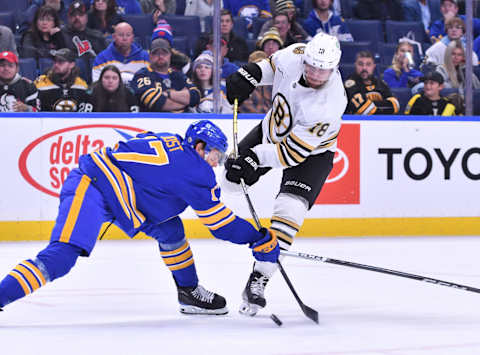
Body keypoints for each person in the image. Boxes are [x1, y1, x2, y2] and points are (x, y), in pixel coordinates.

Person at [0, 120, 279, 314]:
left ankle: (188, 292)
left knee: (170, 230)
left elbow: (140, 157)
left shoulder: (170, 141)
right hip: (92, 186)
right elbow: (220, 225)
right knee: (61, 257)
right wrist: (257, 238)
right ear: (199, 146)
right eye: (215, 154)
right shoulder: (196, 170)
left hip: (122, 192)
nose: (216, 162)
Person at [224, 33, 346, 316]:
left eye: (323, 69)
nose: (315, 73)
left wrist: (254, 159)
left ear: (334, 68)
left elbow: (292, 154)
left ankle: (259, 278)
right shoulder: (296, 54)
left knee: (288, 211)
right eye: (311, 66)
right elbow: (272, 66)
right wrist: (250, 74)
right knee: (230, 181)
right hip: (270, 131)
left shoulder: (329, 103)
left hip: (311, 156)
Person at [131, 31, 201, 112]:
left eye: (164, 53)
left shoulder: (178, 75)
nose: (160, 56)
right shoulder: (142, 75)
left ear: (170, 55)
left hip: (183, 122)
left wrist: (168, 94)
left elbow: (195, 96)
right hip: (155, 122)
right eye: (156, 53)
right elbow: (155, 103)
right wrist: (184, 101)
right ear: (150, 56)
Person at [344, 50, 400, 115]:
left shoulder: (380, 84)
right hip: (357, 123)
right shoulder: (350, 85)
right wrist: (384, 106)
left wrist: (372, 105)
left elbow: (395, 105)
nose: (364, 68)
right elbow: (364, 109)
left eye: (368, 64)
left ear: (374, 66)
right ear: (355, 65)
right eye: (360, 64)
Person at [62, 1, 107, 70]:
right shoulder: (61, 35)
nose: (77, 18)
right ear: (68, 18)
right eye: (73, 15)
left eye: (80, 15)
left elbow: (106, 61)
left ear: (86, 17)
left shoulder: (97, 36)